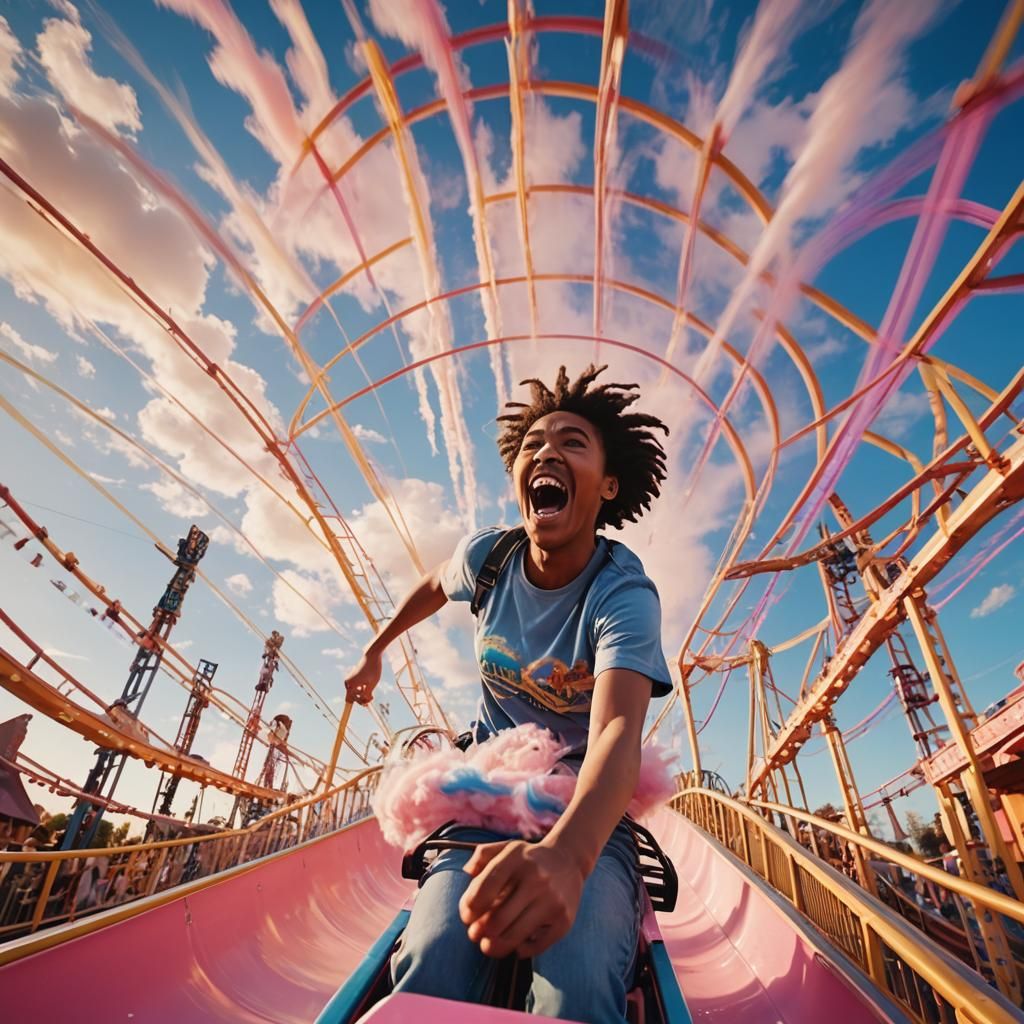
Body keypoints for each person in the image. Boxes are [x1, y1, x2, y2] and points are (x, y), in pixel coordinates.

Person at [345, 365, 672, 1021]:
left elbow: (615, 731)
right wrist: (376, 648)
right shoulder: (490, 560)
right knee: (436, 957)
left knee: (576, 982)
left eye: (573, 442)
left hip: (582, 806)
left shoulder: (622, 594)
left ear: (609, 485)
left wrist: (570, 858)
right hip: (483, 792)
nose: (547, 451)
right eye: (534, 444)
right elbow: (437, 582)